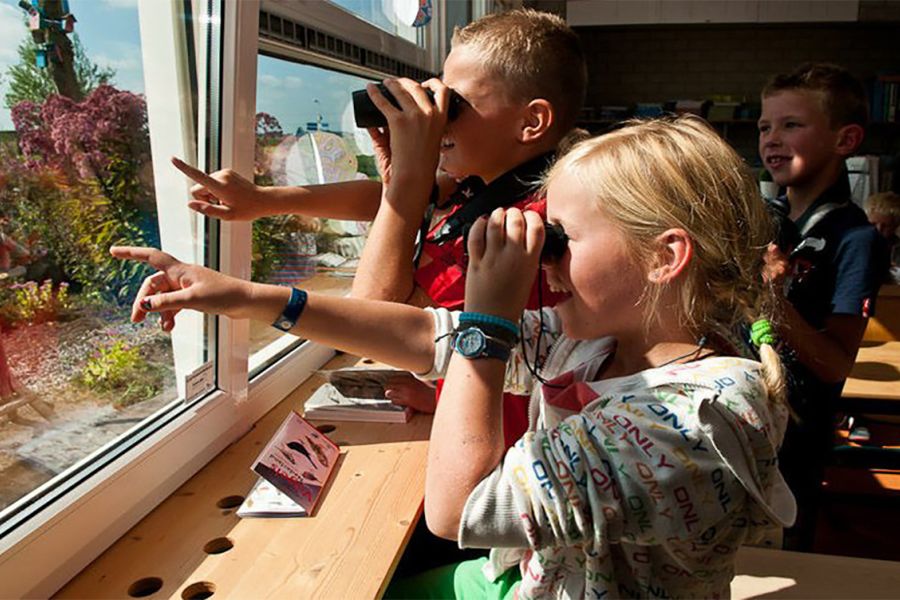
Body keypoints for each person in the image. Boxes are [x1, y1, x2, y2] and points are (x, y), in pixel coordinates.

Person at [112, 116, 795, 598]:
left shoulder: (686, 423)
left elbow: (458, 510)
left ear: (664, 257)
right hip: (534, 575)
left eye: (560, 238)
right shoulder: (601, 342)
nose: (541, 257)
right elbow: (422, 335)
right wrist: (244, 296)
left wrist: (490, 324)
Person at [172, 9, 586, 446]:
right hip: (481, 410)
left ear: (531, 122)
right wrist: (266, 201)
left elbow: (376, 313)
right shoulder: (498, 182)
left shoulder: (523, 229)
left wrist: (410, 176)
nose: (438, 113)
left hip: (498, 455)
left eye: (455, 103)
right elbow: (386, 199)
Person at [757, 62, 889, 550]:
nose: (772, 139)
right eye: (765, 127)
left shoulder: (854, 238)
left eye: (792, 125)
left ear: (845, 140)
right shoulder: (768, 225)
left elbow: (835, 364)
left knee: (782, 557)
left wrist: (771, 301)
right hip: (750, 419)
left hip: (797, 437)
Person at [864, 191, 900, 279]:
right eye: (873, 224)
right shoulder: (857, 246)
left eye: (886, 226)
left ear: (895, 225)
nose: (878, 229)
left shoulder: (897, 249)